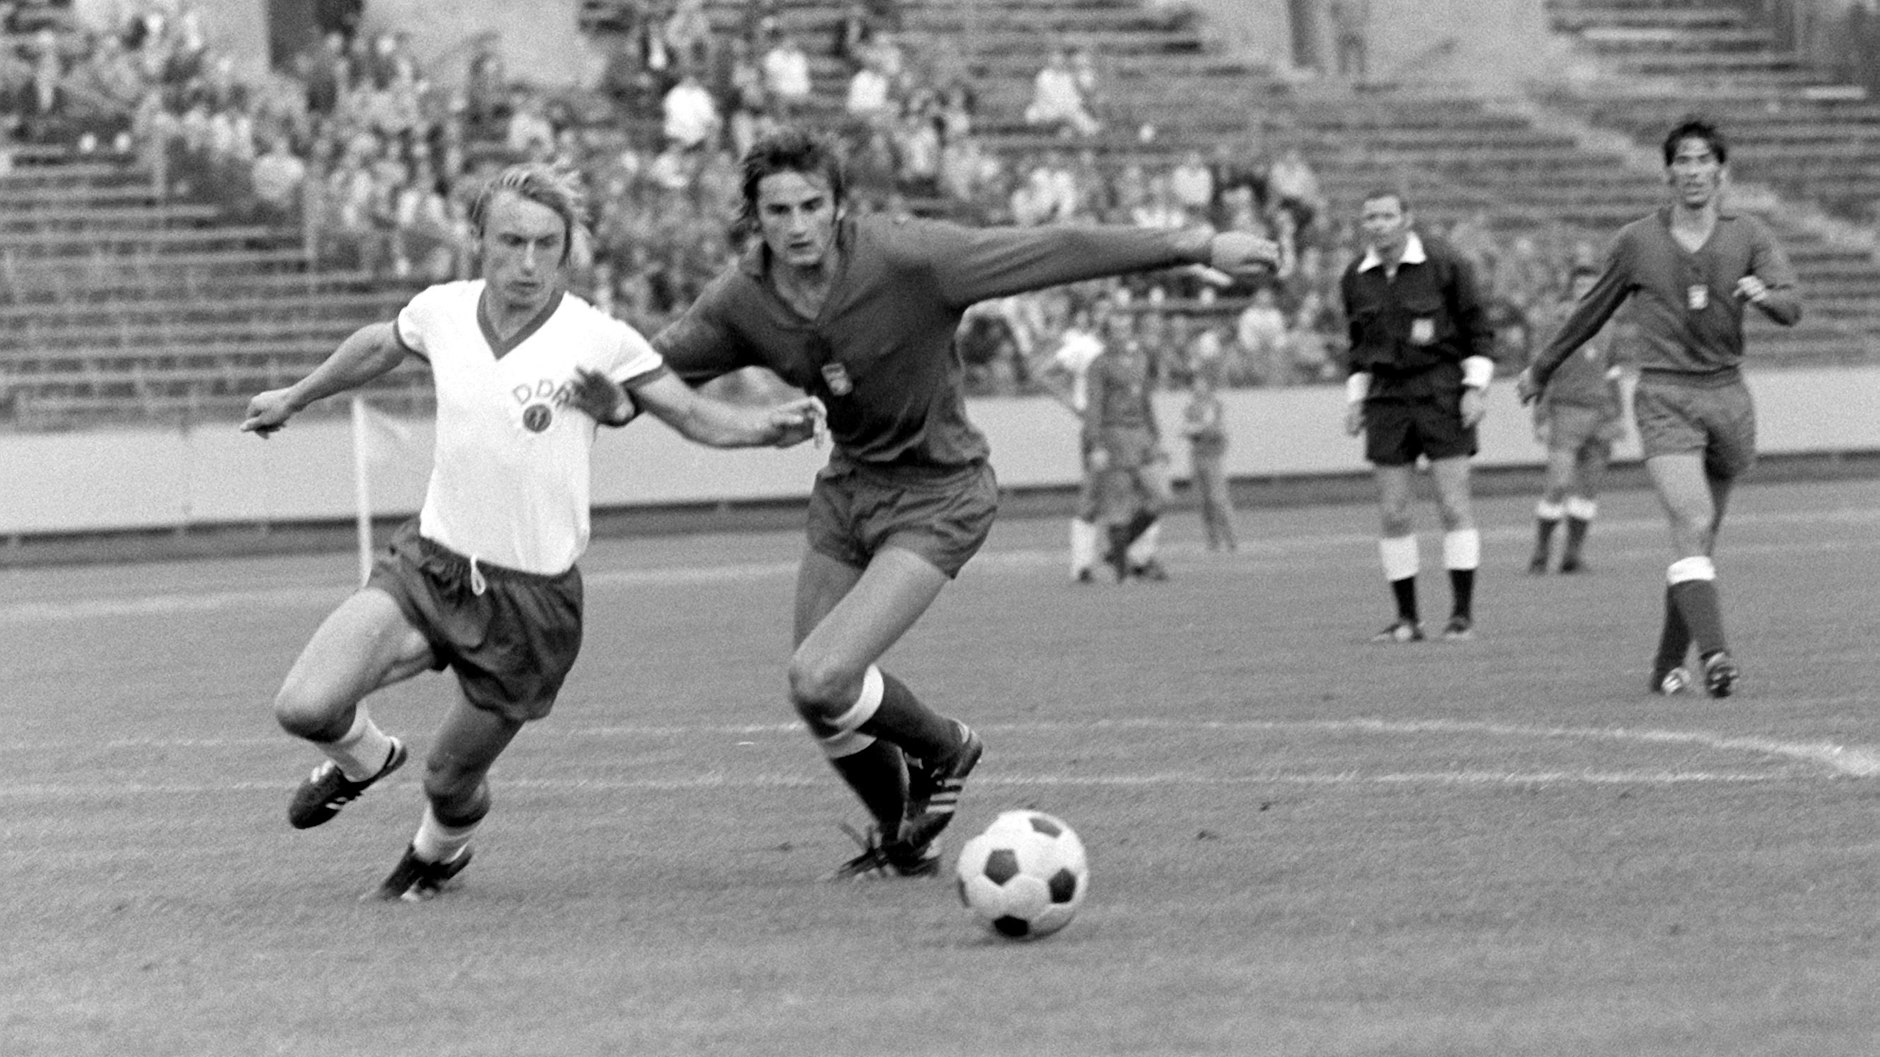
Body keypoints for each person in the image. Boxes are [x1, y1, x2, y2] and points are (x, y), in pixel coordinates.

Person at [649, 128, 1277, 878]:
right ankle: (907, 839)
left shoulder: (913, 259)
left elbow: (1059, 248)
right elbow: (642, 370)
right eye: (778, 210)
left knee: (821, 675)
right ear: (754, 216)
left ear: (840, 205)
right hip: (848, 490)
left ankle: (946, 747)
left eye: (812, 205)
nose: (797, 225)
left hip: (940, 492)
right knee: (818, 696)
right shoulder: (742, 301)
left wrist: (1198, 244)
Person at [240, 163, 825, 901]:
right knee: (303, 705)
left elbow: (692, 413)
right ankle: (364, 758)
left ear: (567, 248)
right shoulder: (443, 310)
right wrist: (294, 395)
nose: (528, 262)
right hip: (433, 564)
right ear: (478, 239)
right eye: (511, 241)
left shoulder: (598, 337)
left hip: (530, 606)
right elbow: (380, 345)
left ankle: (438, 853)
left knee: (451, 781)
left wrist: (763, 430)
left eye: (547, 244)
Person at [1518, 117, 1801, 698]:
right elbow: (1591, 311)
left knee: (1699, 541)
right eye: (1683, 161)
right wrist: (1542, 368)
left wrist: (1764, 297)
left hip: (1727, 397)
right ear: (1668, 171)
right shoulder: (1637, 241)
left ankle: (1665, 665)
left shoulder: (1749, 234)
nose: (1693, 171)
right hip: (1665, 397)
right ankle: (1717, 658)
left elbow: (1793, 305)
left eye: (1704, 161)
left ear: (1722, 171)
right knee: (1692, 521)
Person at [1340, 188, 1496, 643]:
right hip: (1386, 397)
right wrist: (1355, 400)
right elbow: (1357, 349)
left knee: (1453, 504)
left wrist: (1474, 389)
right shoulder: (1356, 277)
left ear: (1408, 218)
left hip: (1441, 390)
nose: (1379, 224)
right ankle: (1407, 619)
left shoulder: (1446, 264)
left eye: (1387, 215)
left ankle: (1461, 615)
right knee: (1393, 512)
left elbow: (1480, 333)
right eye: (1371, 217)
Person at [1525, 265, 1629, 575]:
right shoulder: (1556, 324)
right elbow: (1541, 371)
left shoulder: (1609, 324)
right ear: (1571, 288)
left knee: (1589, 489)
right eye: (1580, 283)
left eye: (1590, 283)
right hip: (1566, 411)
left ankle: (1572, 555)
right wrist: (1540, 416)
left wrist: (1618, 414)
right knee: (1558, 483)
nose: (1585, 288)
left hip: (1600, 414)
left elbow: (1612, 373)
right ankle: (1541, 551)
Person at [1084, 309, 1174, 581]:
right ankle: (1122, 575)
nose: (1121, 335)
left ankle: (1114, 552)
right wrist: (1096, 445)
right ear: (1107, 334)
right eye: (1115, 330)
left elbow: (1146, 402)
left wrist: (1156, 438)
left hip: (1142, 437)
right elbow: (1094, 407)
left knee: (1162, 496)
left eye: (1125, 329)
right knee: (1118, 507)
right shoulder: (1099, 365)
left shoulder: (1140, 359)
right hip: (1114, 437)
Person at [1181, 367, 1237, 552]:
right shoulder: (1190, 407)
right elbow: (1189, 429)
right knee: (1204, 501)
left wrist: (1197, 430)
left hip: (1212, 455)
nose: (1197, 386)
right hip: (1197, 455)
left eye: (1201, 382)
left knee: (1218, 499)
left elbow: (1213, 429)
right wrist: (1193, 431)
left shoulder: (1214, 405)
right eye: (1195, 383)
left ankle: (1230, 538)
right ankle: (1213, 541)